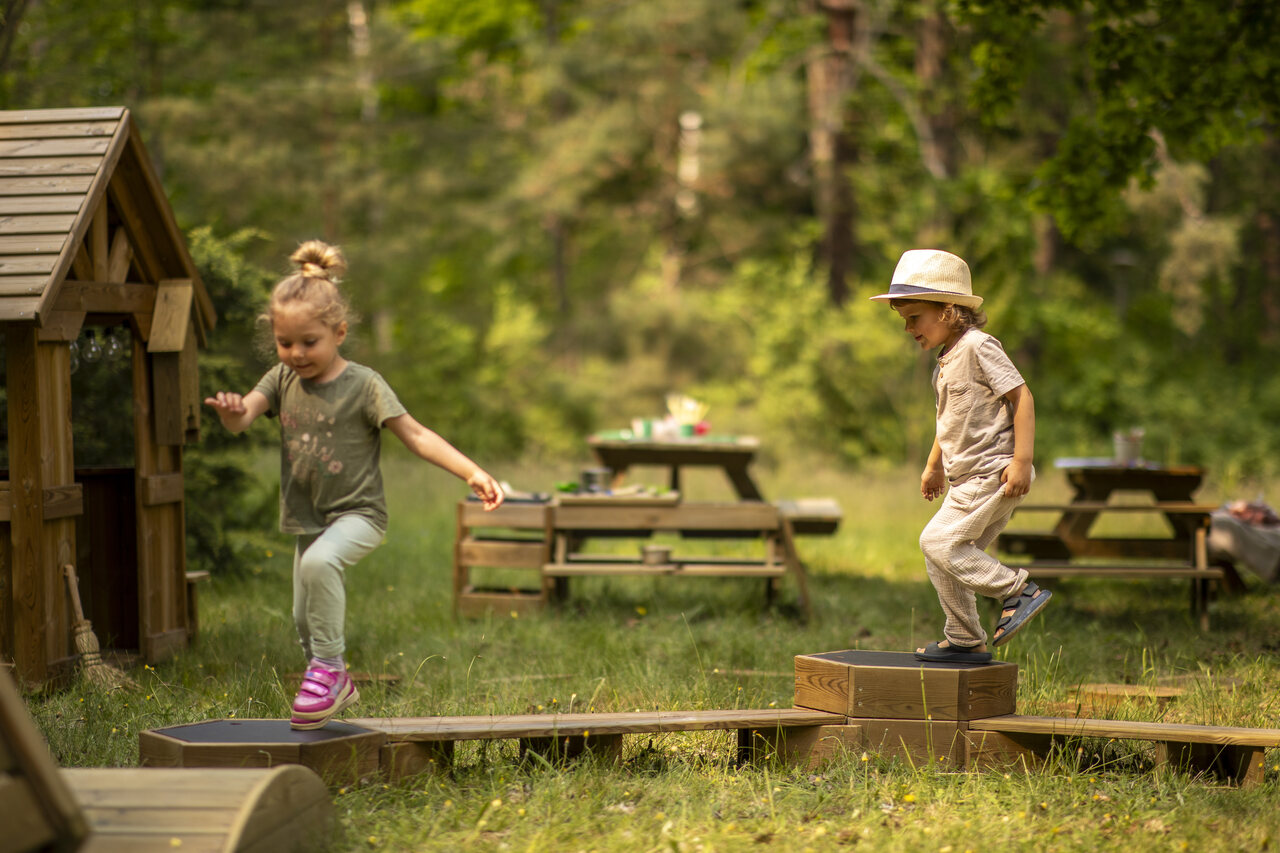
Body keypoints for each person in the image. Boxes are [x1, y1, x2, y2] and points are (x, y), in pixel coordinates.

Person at [205, 240, 504, 729]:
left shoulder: (364, 385)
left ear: (338, 332)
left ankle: (330, 673)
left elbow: (417, 435)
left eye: (309, 342)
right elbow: (244, 420)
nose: (296, 353)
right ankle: (326, 675)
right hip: (308, 518)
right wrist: (234, 413)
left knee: (323, 564)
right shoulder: (280, 379)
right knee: (304, 617)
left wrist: (471, 471)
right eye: (285, 342)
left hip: (359, 515)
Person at [871, 249, 1051, 664]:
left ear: (949, 311)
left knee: (938, 543)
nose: (907, 328)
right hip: (963, 479)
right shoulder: (944, 364)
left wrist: (1022, 461)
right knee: (943, 558)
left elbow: (1021, 396)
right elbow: (947, 420)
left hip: (994, 473)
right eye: (903, 320)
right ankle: (965, 637)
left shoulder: (978, 346)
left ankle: (1018, 590)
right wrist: (933, 465)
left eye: (914, 317)